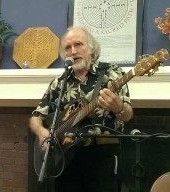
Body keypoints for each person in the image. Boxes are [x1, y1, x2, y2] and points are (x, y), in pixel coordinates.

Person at [29, 27, 133, 192]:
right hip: (65, 158)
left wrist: (118, 107)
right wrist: (42, 132)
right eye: (68, 48)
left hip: (100, 155)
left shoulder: (113, 73)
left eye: (78, 44)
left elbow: (127, 115)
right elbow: (36, 116)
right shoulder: (60, 82)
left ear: (91, 48)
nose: (73, 51)